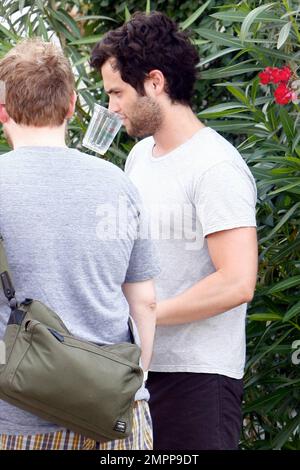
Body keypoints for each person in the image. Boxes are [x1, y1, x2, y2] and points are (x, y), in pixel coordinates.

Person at [90, 11, 258, 450]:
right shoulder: (139, 157)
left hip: (199, 381)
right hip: (141, 373)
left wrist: (146, 315)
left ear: (155, 82)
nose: (112, 108)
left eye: (117, 93)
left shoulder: (216, 166)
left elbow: (238, 281)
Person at [0, 38, 159, 450]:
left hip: (14, 417)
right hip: (115, 416)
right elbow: (145, 302)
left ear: (2, 110)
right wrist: (132, 380)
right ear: (72, 105)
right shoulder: (119, 185)